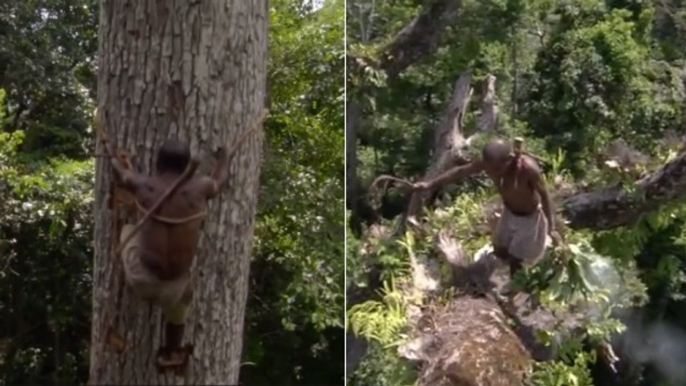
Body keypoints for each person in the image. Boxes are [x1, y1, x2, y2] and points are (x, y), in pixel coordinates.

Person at [102, 138, 231, 371]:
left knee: (130, 229)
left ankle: (129, 222)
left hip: (142, 280)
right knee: (180, 307)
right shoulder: (201, 187)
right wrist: (225, 157)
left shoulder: (144, 184)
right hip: (175, 288)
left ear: (158, 164)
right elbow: (220, 181)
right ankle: (172, 349)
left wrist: (111, 152)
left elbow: (121, 173)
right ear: (184, 167)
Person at [413, 138, 562, 278]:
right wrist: (430, 184)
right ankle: (498, 280)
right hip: (509, 212)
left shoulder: (527, 169)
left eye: (497, 169)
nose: (492, 173)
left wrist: (551, 226)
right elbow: (459, 172)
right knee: (500, 249)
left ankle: (515, 293)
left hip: (529, 217)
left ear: (509, 160)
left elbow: (544, 195)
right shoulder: (488, 163)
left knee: (517, 260)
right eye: (489, 169)